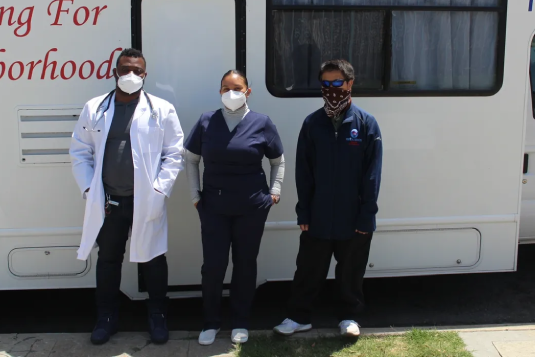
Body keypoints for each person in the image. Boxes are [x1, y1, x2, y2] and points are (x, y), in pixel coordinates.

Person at [69, 48, 184, 345]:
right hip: (109, 202)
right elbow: (80, 150)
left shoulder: (161, 109)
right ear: (115, 71)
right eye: (125, 69)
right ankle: (106, 318)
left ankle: (157, 316)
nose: (130, 75)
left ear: (145, 75)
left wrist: (159, 191)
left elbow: (174, 154)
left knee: (153, 260)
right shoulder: (95, 108)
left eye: (137, 70)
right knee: (108, 261)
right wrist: (87, 189)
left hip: (146, 200)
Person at [273, 59, 383, 337]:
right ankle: (299, 317)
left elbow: (373, 174)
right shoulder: (312, 124)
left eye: (337, 83)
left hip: (353, 216)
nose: (331, 89)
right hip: (318, 215)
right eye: (326, 84)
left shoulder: (366, 124)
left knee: (350, 272)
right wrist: (304, 212)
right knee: (308, 270)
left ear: (349, 84)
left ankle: (349, 317)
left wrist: (367, 214)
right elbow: (304, 172)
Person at [184, 70, 284, 345]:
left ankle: (240, 322)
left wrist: (274, 193)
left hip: (251, 207)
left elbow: (278, 161)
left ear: (248, 91)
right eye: (226, 88)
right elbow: (191, 159)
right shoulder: (207, 121)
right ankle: (211, 323)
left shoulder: (262, 123)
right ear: (219, 91)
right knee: (213, 267)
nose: (231, 93)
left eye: (237, 88)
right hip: (214, 207)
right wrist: (195, 195)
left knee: (245, 265)